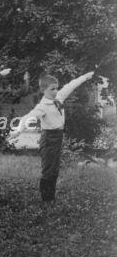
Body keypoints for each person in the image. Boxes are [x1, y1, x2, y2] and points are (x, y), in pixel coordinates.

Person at [9, 71, 94, 203]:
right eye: (52, 89)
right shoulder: (42, 107)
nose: (56, 91)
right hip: (48, 138)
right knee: (48, 169)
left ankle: (51, 198)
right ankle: (46, 200)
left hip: (58, 137)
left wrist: (85, 77)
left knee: (54, 169)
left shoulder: (59, 97)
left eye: (56, 88)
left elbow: (71, 85)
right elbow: (27, 118)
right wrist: (18, 130)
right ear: (43, 90)